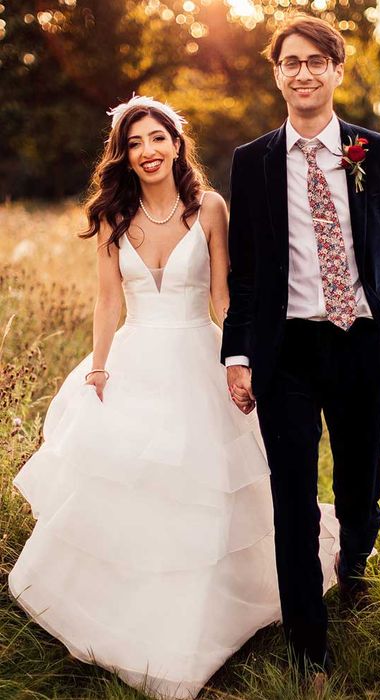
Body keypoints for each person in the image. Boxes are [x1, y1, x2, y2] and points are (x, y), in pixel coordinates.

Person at [8, 95, 340, 700]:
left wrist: (240, 360)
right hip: (136, 360)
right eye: (134, 143)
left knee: (208, 491)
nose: (147, 152)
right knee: (135, 494)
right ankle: (130, 620)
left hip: (199, 357)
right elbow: (108, 300)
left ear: (176, 143)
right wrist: (100, 368)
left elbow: (223, 294)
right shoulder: (112, 215)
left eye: (157, 139)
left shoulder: (209, 207)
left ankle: (211, 619)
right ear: (123, 155)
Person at [223, 14, 380, 676]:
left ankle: (354, 568)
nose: (304, 72)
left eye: (316, 61)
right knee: (292, 502)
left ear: (337, 70)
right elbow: (247, 272)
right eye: (291, 62)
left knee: (359, 491)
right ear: (277, 74)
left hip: (363, 346)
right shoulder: (253, 162)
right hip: (286, 354)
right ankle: (306, 650)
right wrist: (238, 355)